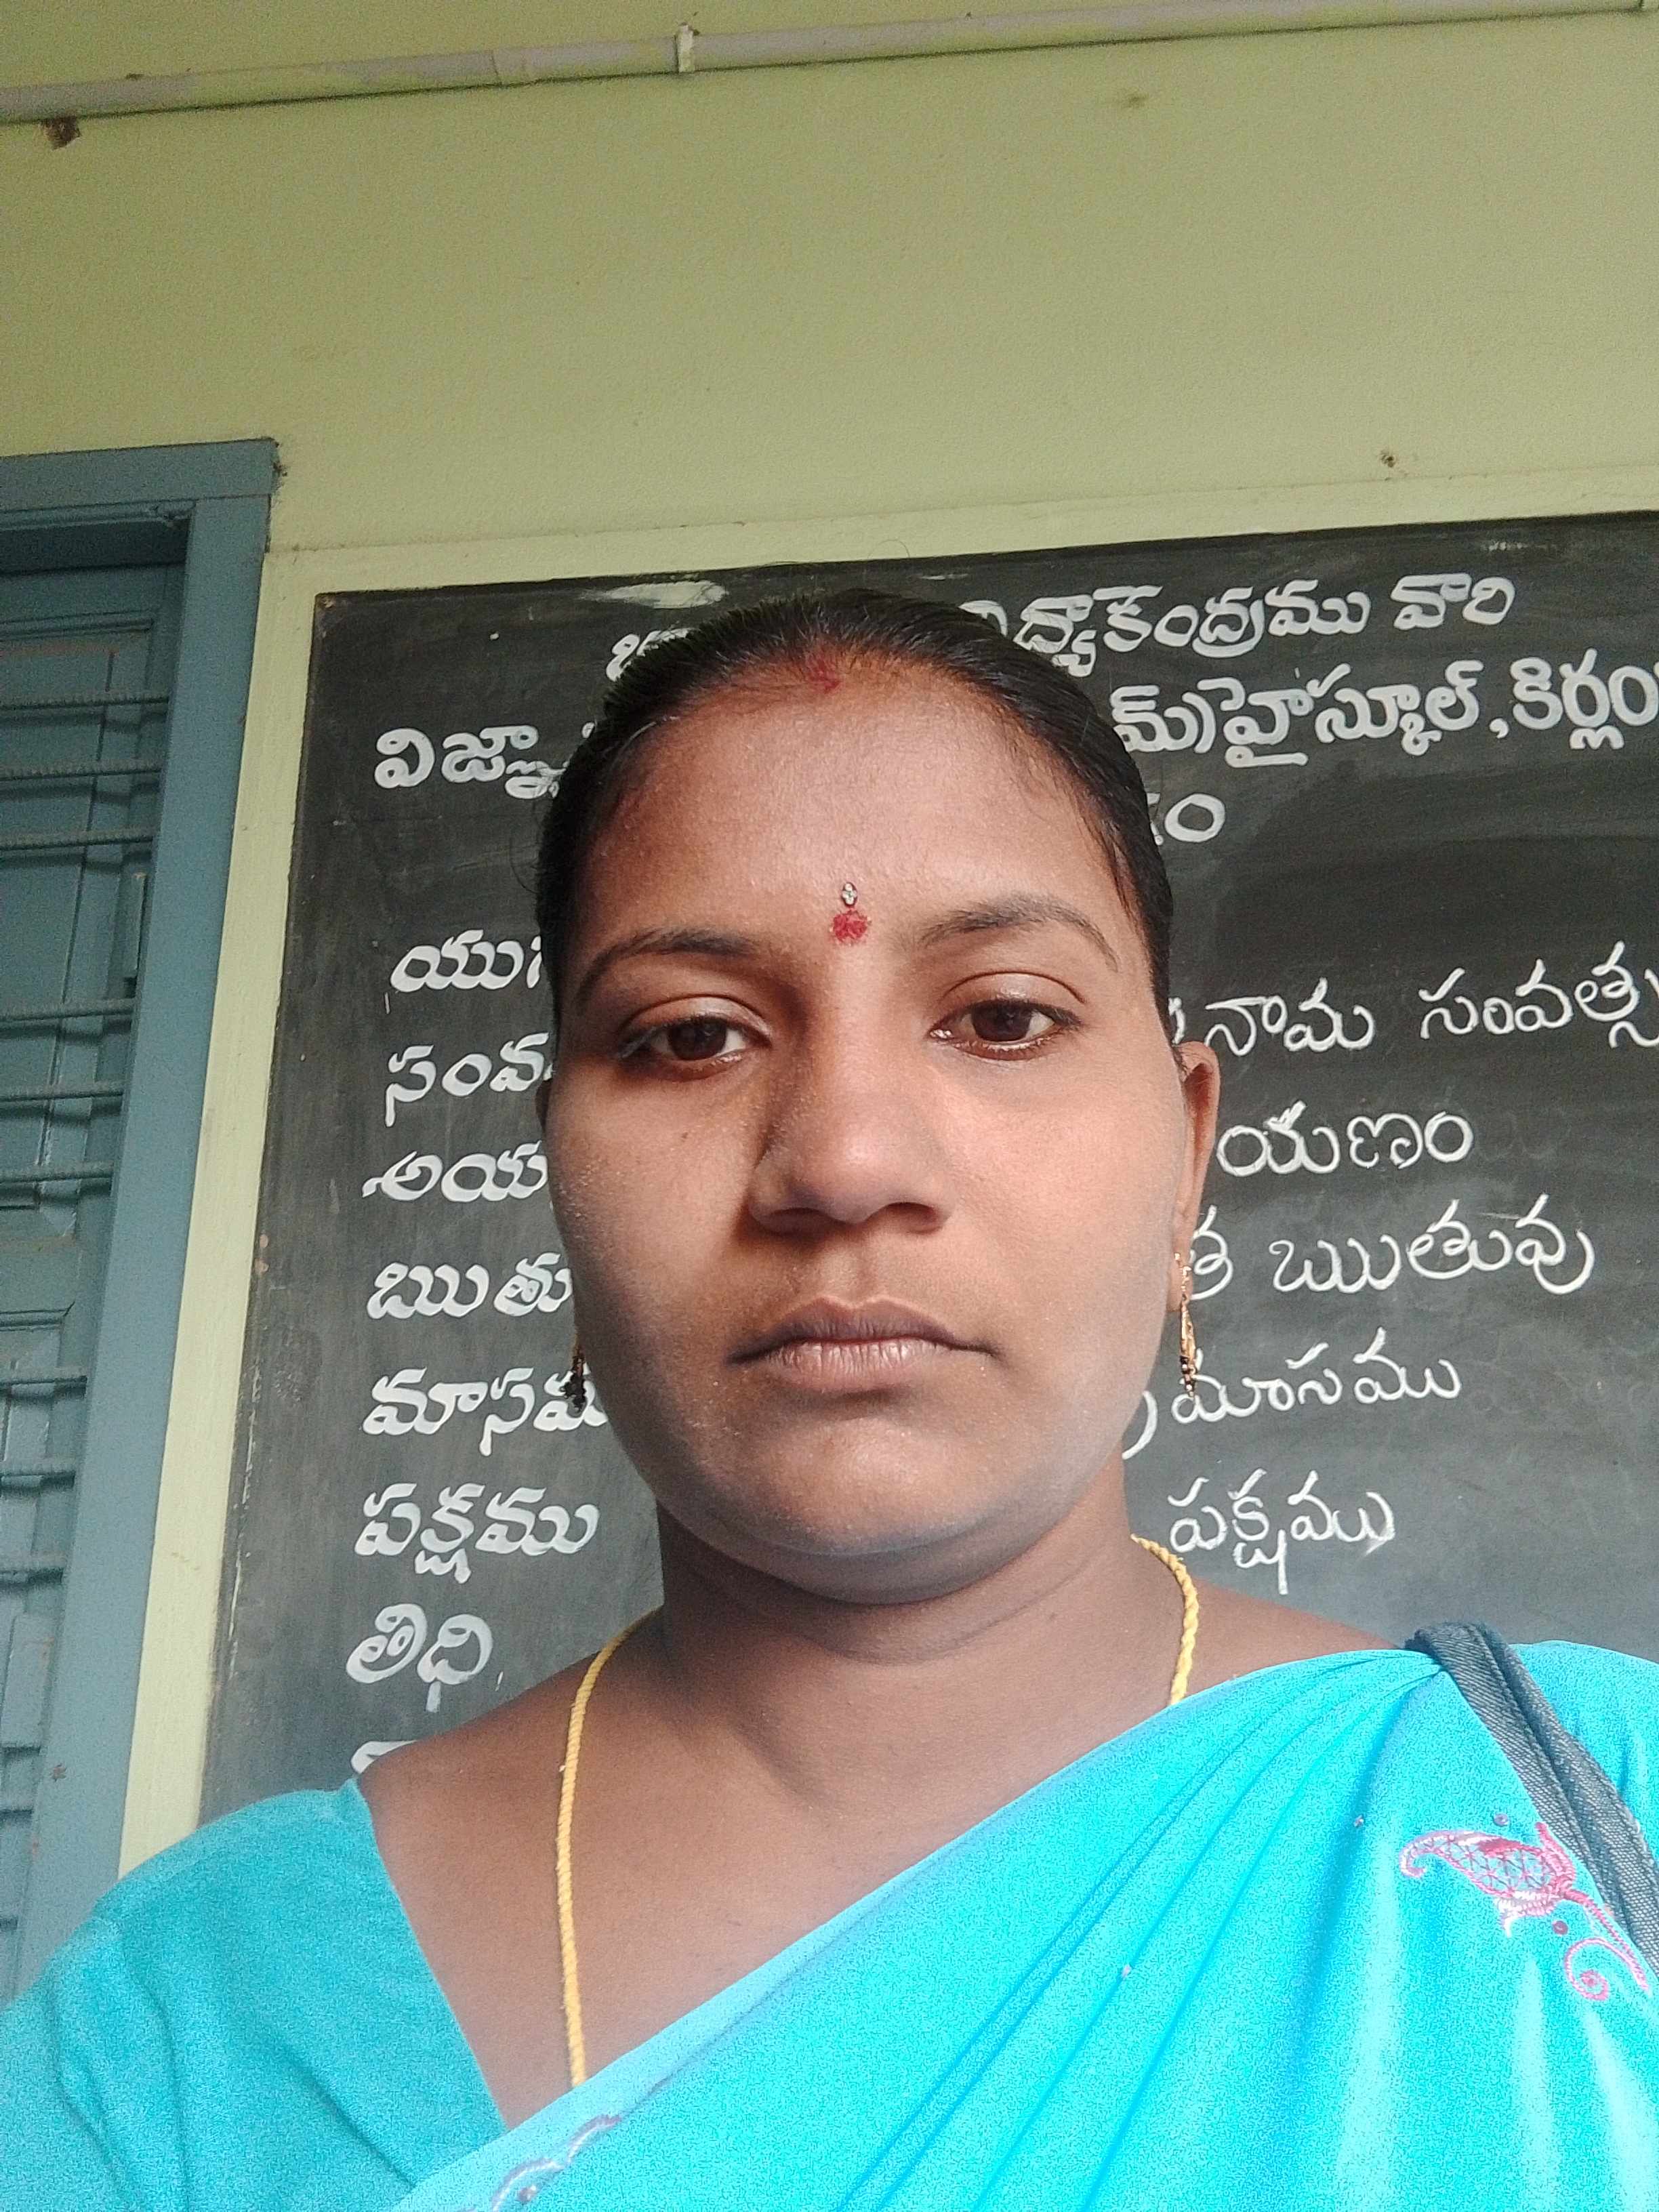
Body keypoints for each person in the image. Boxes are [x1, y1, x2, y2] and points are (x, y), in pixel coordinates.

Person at [3, 589, 1656, 2210]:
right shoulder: (187, 2034)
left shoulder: (1597, 1818)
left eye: (1003, 1017)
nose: (846, 1160)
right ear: (555, 1174)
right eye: (691, 1037)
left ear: (1188, 1155)